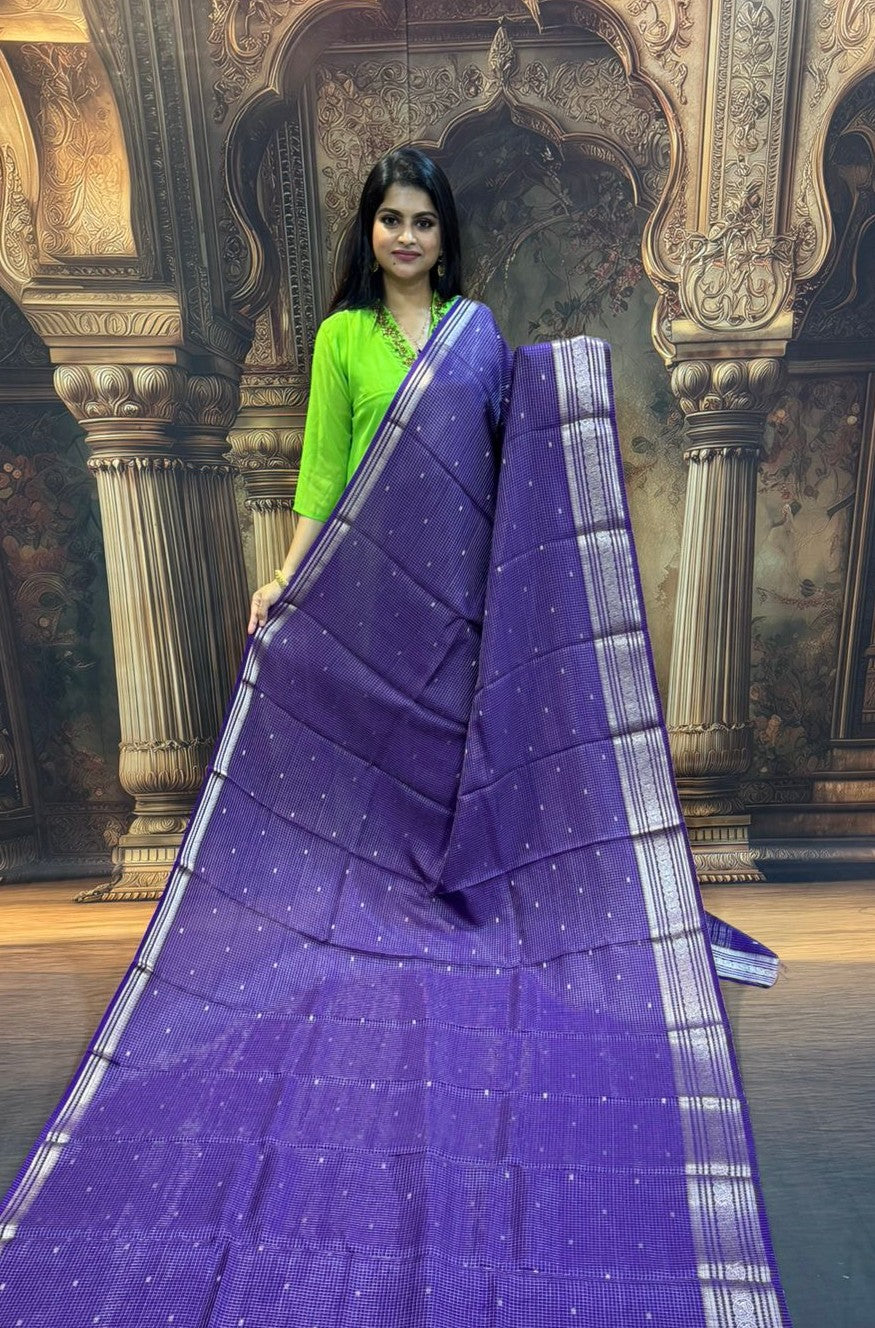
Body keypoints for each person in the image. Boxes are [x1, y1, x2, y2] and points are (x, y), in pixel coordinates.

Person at [247, 146, 470, 635]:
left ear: (444, 236)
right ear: (370, 230)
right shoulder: (341, 335)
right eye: (391, 220)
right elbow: (325, 469)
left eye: (424, 223)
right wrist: (286, 578)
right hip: (373, 564)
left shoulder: (473, 331)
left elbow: (503, 452)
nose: (407, 237)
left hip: (462, 565)